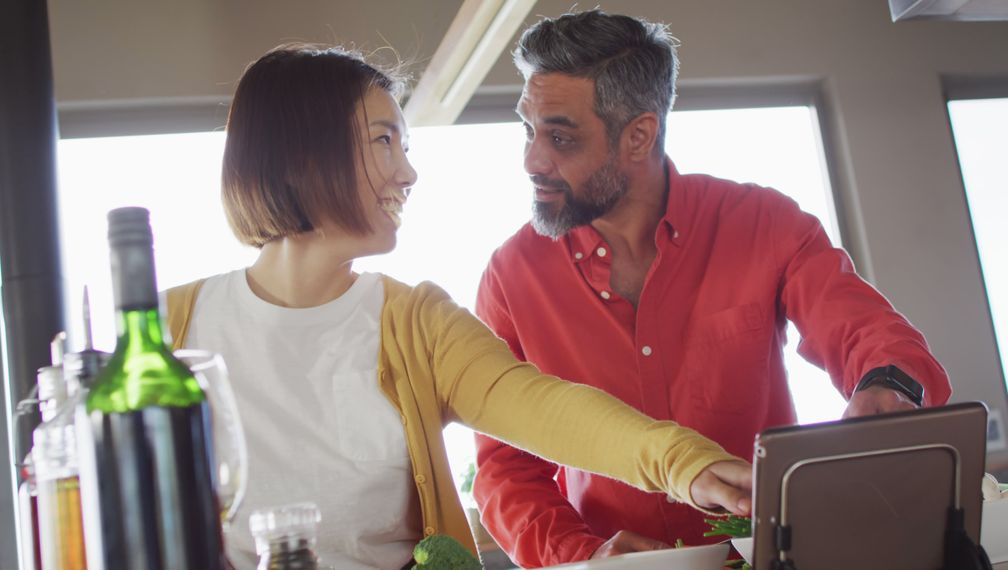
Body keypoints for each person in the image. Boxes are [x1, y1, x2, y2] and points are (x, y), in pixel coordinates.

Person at [162, 45, 752, 570]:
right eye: (383, 140)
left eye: (405, 145)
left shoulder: (415, 322)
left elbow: (544, 407)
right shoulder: (169, 330)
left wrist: (684, 463)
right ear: (305, 151)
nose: (408, 172)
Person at [472, 9, 954, 567]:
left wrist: (888, 386)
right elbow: (504, 465)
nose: (532, 159)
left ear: (639, 135)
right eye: (527, 129)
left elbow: (868, 331)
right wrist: (580, 556)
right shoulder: (511, 276)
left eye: (560, 136)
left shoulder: (763, 223)